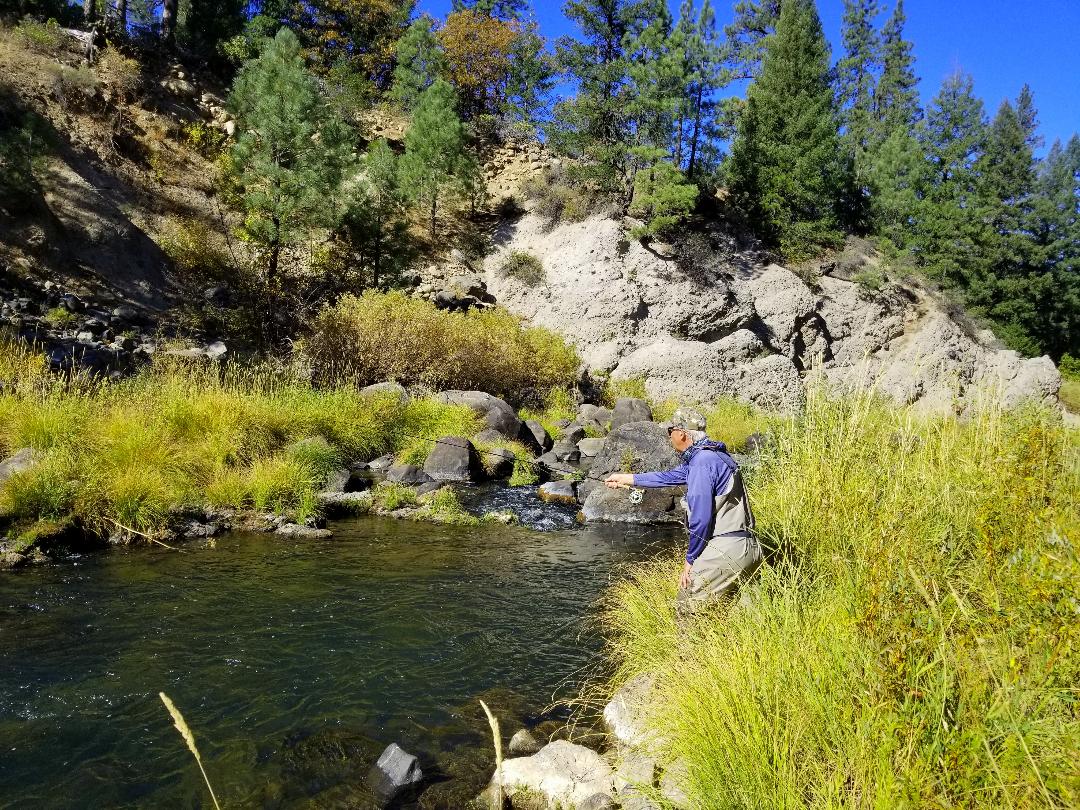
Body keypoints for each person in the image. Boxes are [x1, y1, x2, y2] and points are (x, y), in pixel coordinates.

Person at [604, 408, 761, 609]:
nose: (669, 436)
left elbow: (701, 519)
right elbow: (668, 477)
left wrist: (690, 559)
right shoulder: (715, 456)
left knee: (686, 610)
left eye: (670, 431)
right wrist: (626, 478)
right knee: (738, 618)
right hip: (750, 549)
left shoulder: (701, 463)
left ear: (682, 434)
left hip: (724, 552)